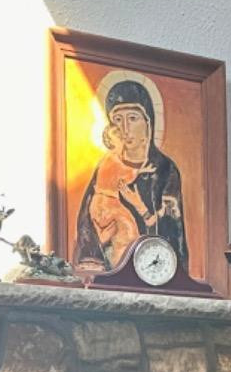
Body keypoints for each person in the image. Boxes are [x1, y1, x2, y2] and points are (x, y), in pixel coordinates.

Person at [76, 79, 187, 270]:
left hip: (153, 271)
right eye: (118, 120)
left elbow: (171, 228)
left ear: (148, 123)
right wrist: (98, 247)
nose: (125, 128)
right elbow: (86, 222)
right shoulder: (105, 167)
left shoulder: (164, 170)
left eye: (133, 118)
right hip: (110, 271)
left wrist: (141, 208)